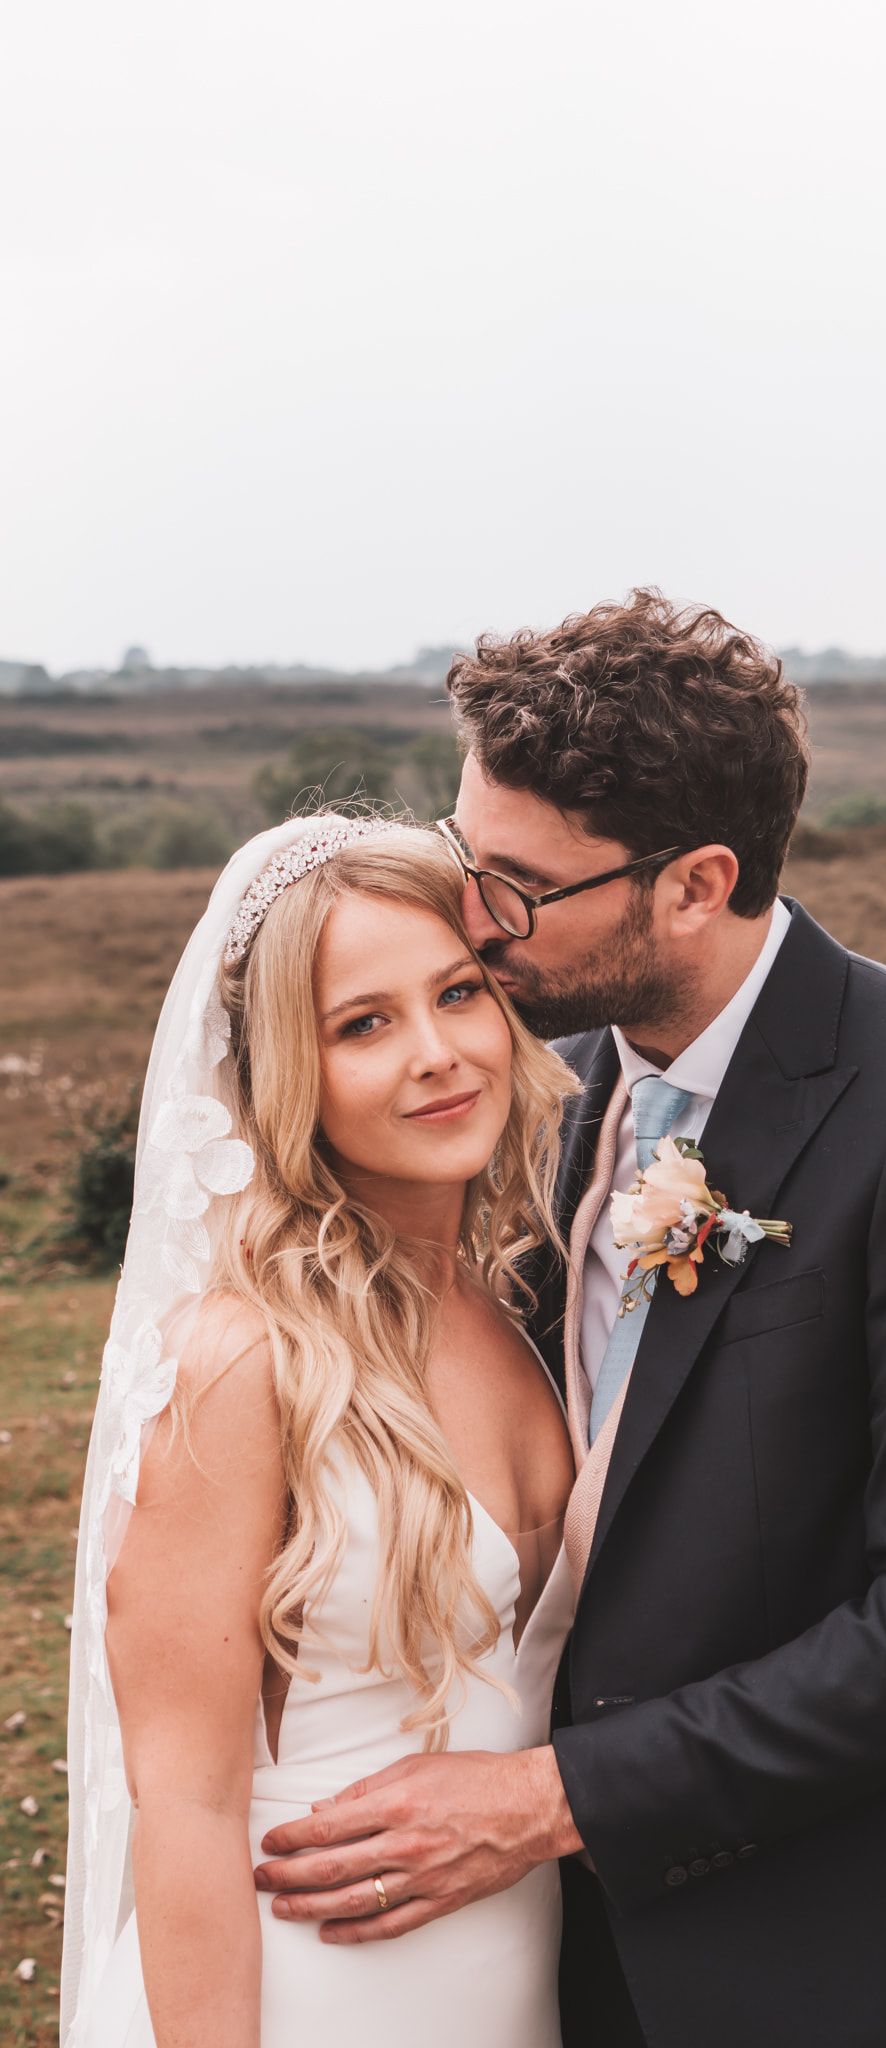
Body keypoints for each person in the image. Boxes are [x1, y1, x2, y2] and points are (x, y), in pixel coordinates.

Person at [259, 592, 886, 2048]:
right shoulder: (542, 1090)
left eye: (521, 885)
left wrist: (547, 1801)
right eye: (471, 859)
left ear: (695, 883)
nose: (475, 918)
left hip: (863, 1964)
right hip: (574, 1962)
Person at [61, 814, 579, 2048]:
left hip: (508, 1970)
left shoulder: (513, 1303)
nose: (438, 1053)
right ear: (287, 1068)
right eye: (364, 1022)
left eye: (458, 992)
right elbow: (179, 1804)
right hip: (298, 1988)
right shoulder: (245, 1358)